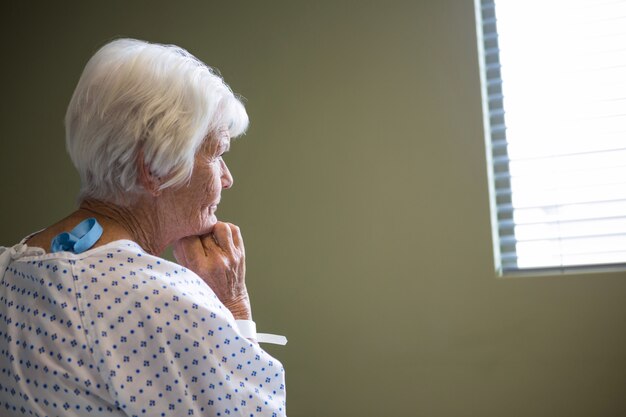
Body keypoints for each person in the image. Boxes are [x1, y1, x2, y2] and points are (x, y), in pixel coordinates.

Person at [0, 38, 286, 417]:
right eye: (217, 154)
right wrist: (233, 306)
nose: (227, 179)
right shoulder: (164, 303)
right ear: (155, 168)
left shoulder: (9, 270)